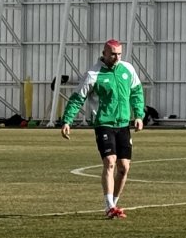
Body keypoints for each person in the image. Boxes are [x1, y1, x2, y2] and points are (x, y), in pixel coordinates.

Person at [60, 39, 145, 219]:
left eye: (119, 54)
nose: (117, 57)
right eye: (113, 54)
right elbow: (78, 98)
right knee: (110, 161)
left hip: (123, 124)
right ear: (104, 53)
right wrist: (67, 120)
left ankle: (113, 202)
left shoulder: (128, 69)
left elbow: (137, 92)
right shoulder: (93, 74)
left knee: (124, 168)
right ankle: (109, 206)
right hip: (103, 123)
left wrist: (138, 115)